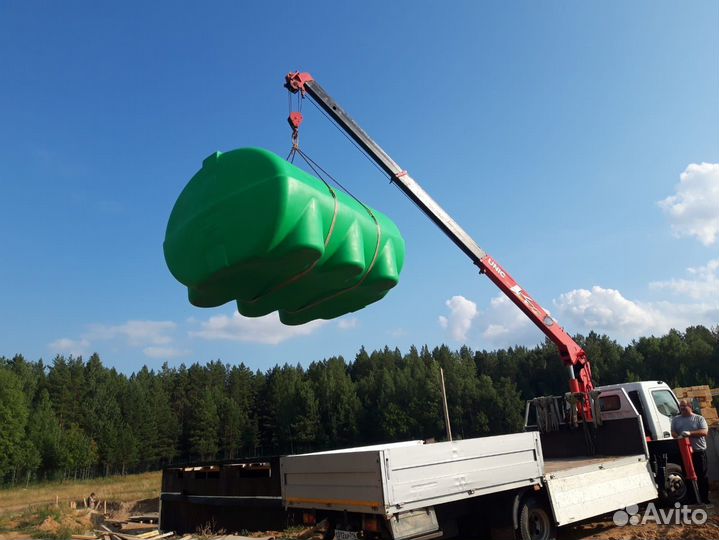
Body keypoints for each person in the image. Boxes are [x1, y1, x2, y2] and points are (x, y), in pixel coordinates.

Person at [671, 399, 710, 504]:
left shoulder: (698, 418)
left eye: (684, 406)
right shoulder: (676, 420)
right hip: (685, 453)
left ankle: (704, 499)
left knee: (702, 476)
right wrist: (678, 436)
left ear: (690, 406)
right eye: (680, 406)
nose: (682, 408)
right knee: (687, 476)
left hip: (698, 452)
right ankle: (692, 500)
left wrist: (690, 433)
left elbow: (704, 432)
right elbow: (673, 432)